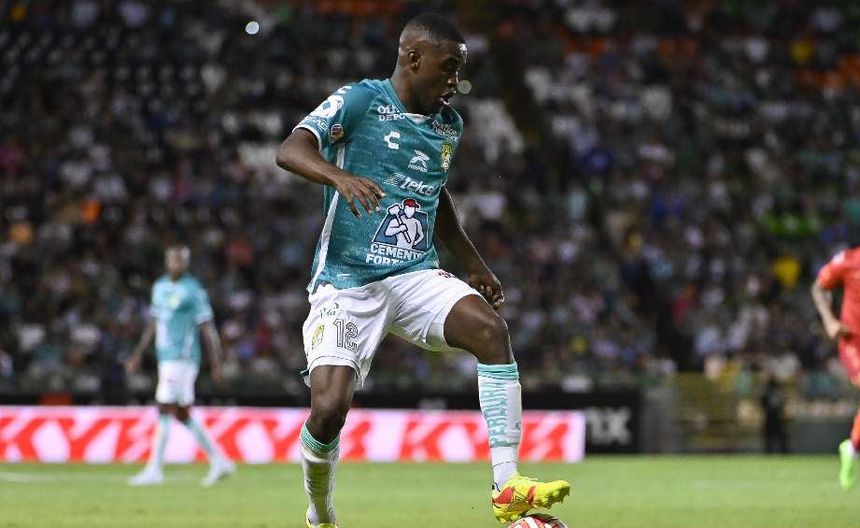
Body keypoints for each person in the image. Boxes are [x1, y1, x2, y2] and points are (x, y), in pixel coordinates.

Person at [276, 13, 570, 528]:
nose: (455, 81)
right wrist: (339, 177)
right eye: (449, 67)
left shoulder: (448, 126)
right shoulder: (361, 100)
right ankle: (320, 513)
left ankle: (507, 488)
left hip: (413, 273)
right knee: (328, 410)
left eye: (460, 70)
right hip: (347, 281)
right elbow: (291, 149)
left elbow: (436, 195)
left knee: (490, 331)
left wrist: (474, 262)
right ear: (413, 58)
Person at [124, 245, 235, 487]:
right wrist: (137, 354)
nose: (177, 263)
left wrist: (216, 363)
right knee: (182, 413)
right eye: (173, 259)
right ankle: (219, 461)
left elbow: (208, 328)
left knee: (164, 407)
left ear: (187, 262)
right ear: (167, 261)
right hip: (165, 357)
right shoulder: (159, 287)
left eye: (182, 259)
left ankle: (155, 469)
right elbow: (153, 323)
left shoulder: (193, 291)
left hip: (182, 358)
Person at [812, 246, 860, 490]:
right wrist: (830, 321)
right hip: (854, 342)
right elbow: (818, 287)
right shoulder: (848, 260)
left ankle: (852, 448)